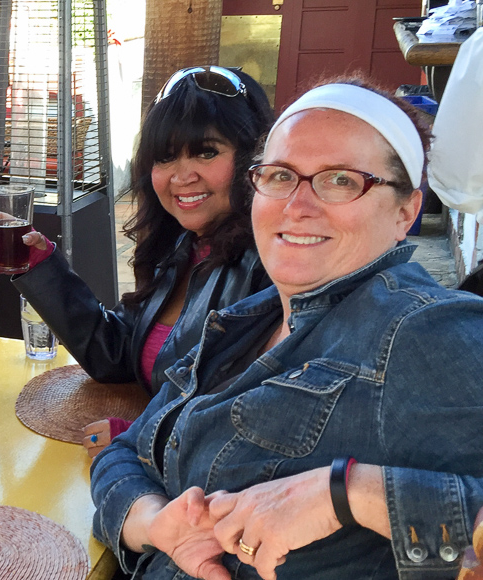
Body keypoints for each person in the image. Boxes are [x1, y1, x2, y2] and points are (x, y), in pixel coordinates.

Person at [90, 78, 483, 580]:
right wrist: (155, 523)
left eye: (341, 180)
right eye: (280, 176)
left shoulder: (422, 328)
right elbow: (124, 452)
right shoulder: (244, 322)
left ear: (406, 211)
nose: (298, 205)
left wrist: (348, 494)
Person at [0, 67, 274, 457]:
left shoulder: (273, 267)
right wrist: (40, 267)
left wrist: (143, 437)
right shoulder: (180, 248)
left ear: (254, 157)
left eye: (207, 152)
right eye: (165, 157)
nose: (181, 176)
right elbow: (116, 357)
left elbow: (263, 417)